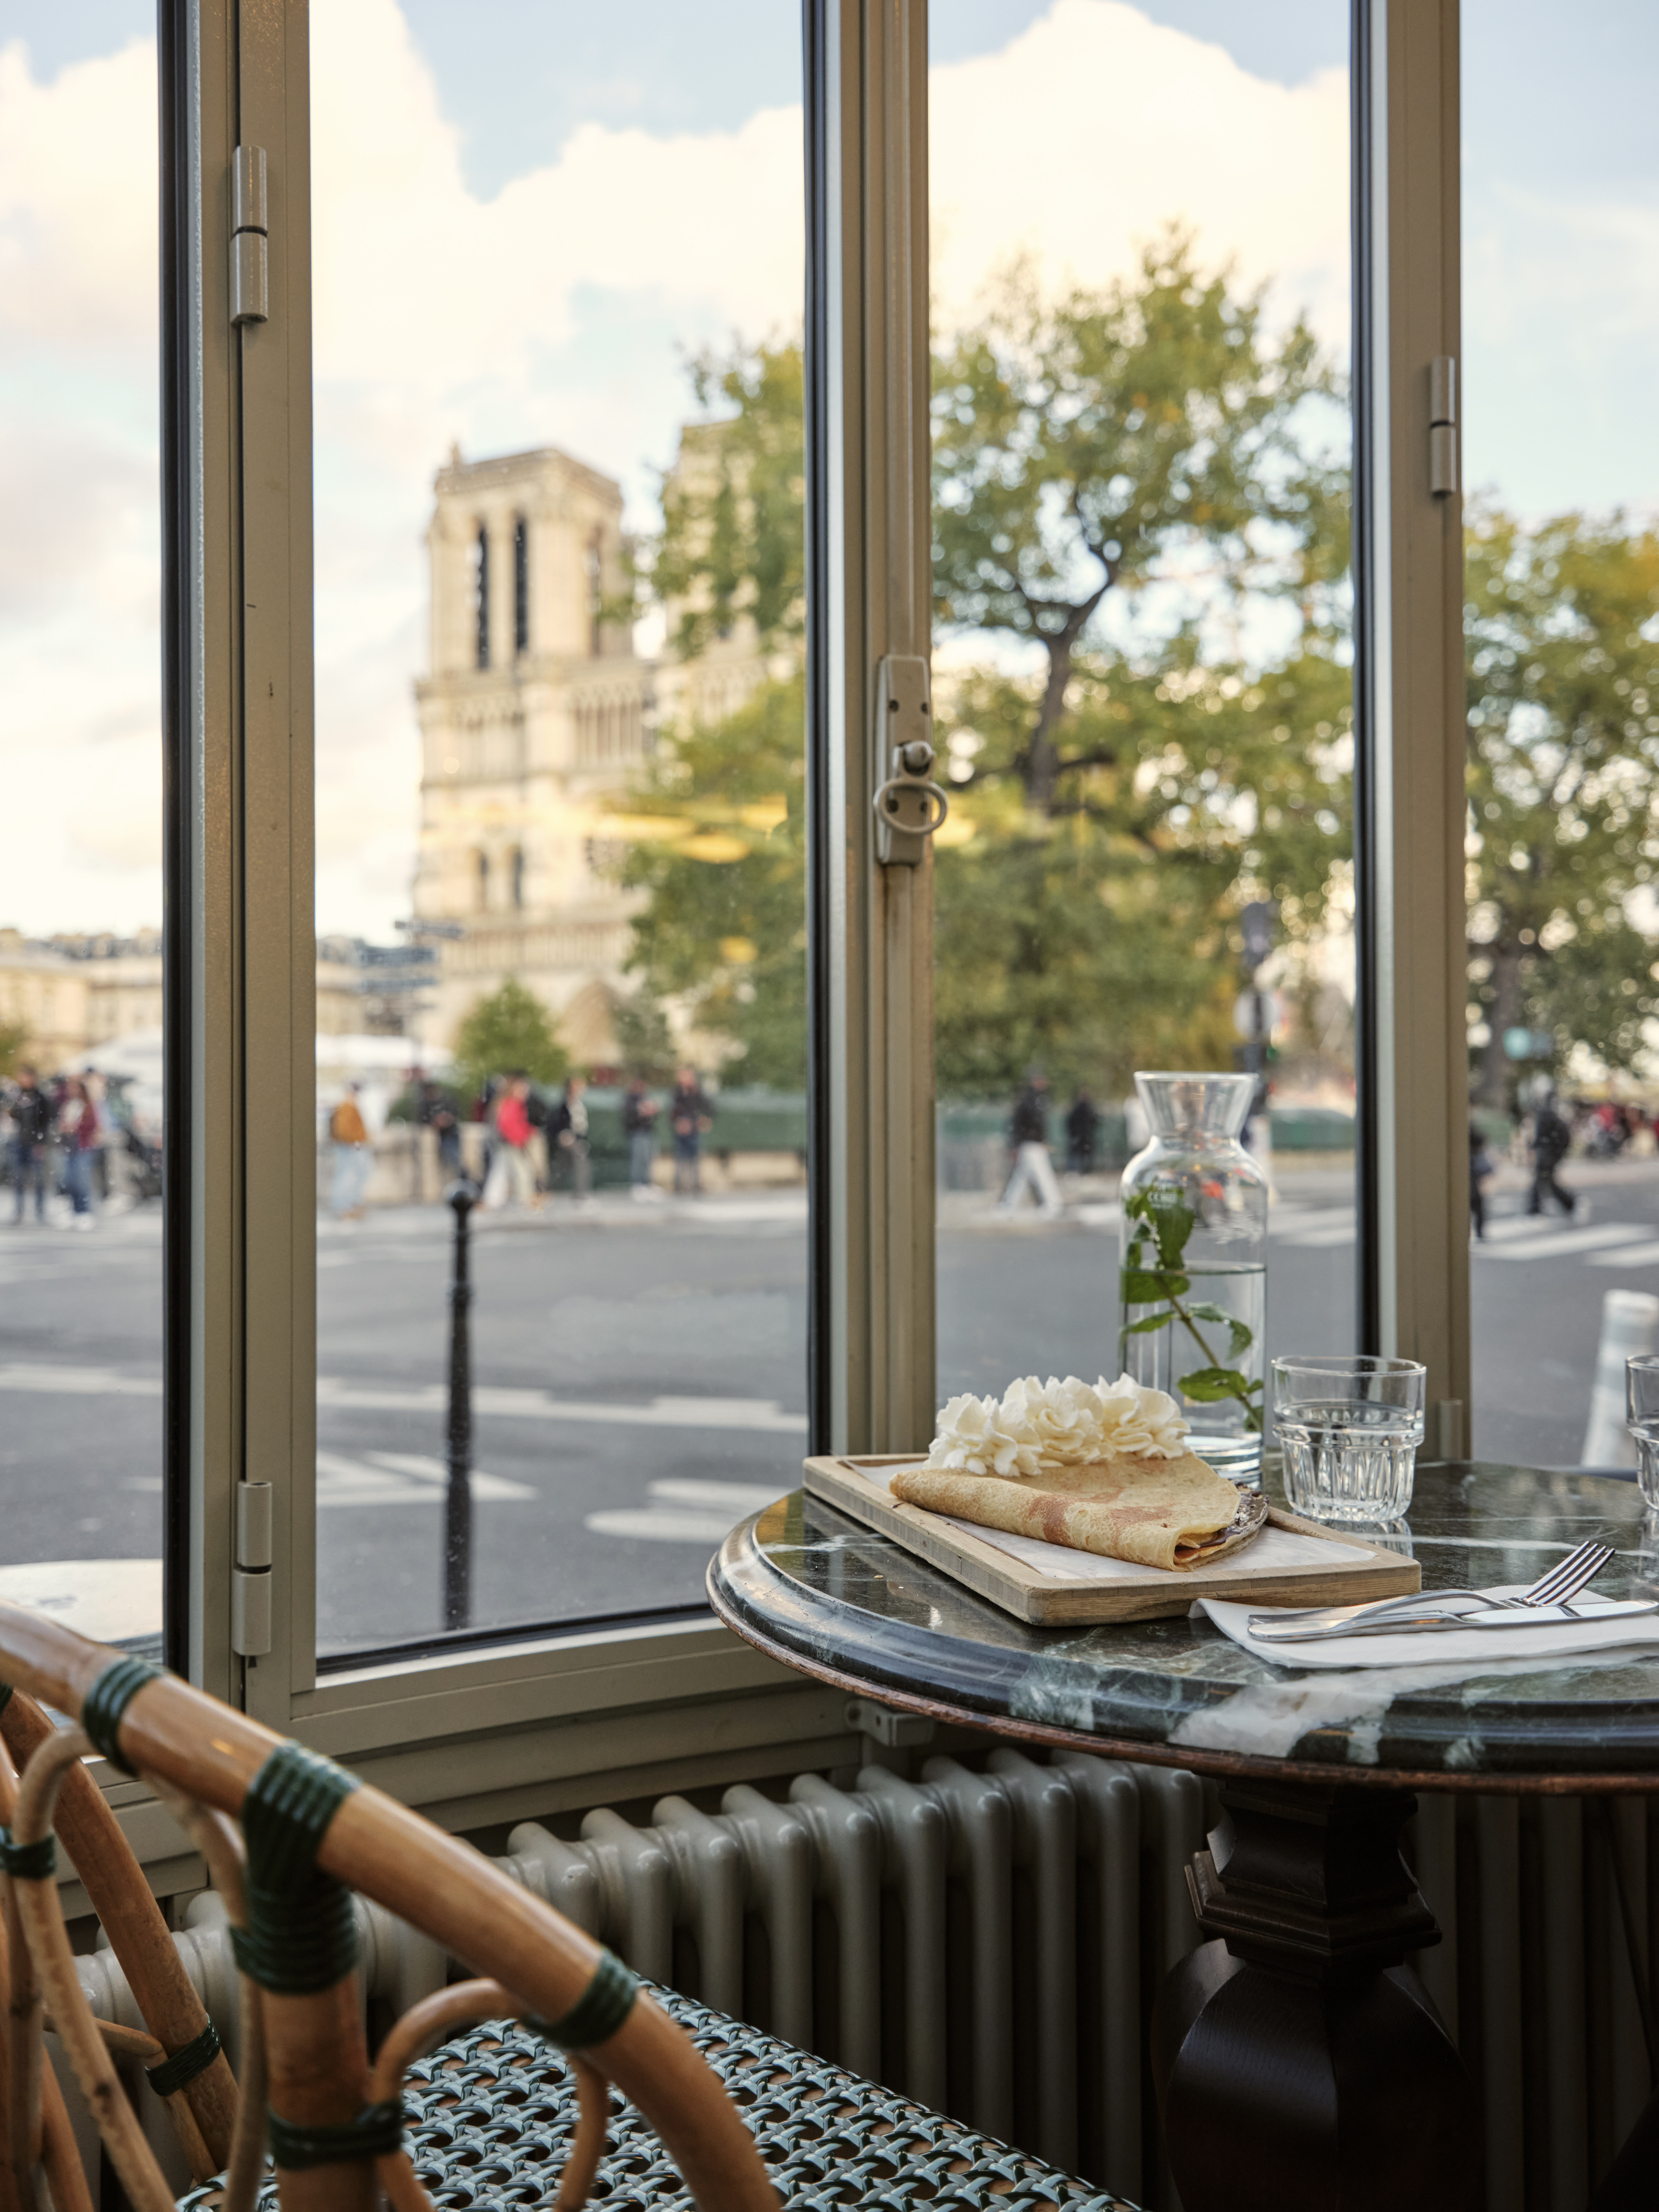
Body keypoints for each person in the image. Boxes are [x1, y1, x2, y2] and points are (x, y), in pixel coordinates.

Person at [997, 1070, 1063, 1218]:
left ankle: (1010, 1204)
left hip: (1029, 1144)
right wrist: (1040, 1140)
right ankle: (1054, 1204)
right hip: (1032, 1144)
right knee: (1042, 1175)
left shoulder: (1028, 1099)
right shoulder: (1034, 1101)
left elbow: (1018, 1124)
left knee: (1022, 1176)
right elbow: (1033, 1124)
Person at [8, 1065, 52, 1225]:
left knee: (38, 1178)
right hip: (19, 1142)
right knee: (18, 1178)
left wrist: (42, 1144)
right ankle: (19, 1212)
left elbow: (46, 1122)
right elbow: (14, 1115)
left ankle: (40, 1212)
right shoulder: (18, 1095)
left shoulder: (41, 1098)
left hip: (35, 1143)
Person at [488, 1072, 539, 1209]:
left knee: (501, 1172)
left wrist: (527, 1131)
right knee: (523, 1172)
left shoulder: (512, 1104)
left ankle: (493, 1201)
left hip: (509, 1142)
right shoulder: (511, 1104)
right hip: (511, 1143)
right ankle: (525, 1199)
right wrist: (520, 1137)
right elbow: (508, 1125)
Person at [57, 1075, 99, 1230]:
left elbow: (93, 1125)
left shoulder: (87, 1106)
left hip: (83, 1147)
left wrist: (76, 1128)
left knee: (82, 1181)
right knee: (69, 1180)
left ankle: (84, 1211)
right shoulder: (68, 1104)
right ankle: (75, 1211)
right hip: (69, 1147)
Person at [1527, 1089, 1576, 1218]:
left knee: (1542, 1181)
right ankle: (1567, 1203)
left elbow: (1542, 1137)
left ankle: (1537, 1208)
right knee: (1546, 1181)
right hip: (1550, 1154)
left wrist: (1538, 1148)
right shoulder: (1552, 1115)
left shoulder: (1545, 1115)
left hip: (1546, 1154)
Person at [328, 1083, 373, 1220]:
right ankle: (344, 1206)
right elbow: (343, 1129)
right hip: (350, 1146)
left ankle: (350, 1205)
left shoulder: (346, 1104)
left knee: (353, 1175)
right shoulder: (347, 1105)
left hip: (350, 1145)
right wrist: (353, 1142)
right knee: (347, 1176)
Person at [669, 1065, 714, 1195]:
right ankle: (680, 1186)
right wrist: (679, 1123)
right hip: (681, 1132)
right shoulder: (677, 1092)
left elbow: (709, 1107)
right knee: (681, 1159)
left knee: (694, 1159)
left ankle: (695, 1186)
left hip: (694, 1131)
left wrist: (703, 1119)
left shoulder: (697, 1092)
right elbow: (674, 1112)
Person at [547, 1073, 592, 1202]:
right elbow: (559, 1124)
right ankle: (579, 1193)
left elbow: (581, 1126)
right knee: (573, 1165)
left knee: (563, 1167)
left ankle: (579, 1193)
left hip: (578, 1140)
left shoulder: (579, 1104)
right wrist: (564, 1135)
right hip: (569, 1141)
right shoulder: (565, 1105)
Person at [622, 1075, 661, 1200]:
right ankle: (637, 1185)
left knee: (648, 1159)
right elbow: (629, 1116)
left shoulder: (646, 1098)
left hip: (647, 1133)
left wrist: (652, 1111)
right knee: (639, 1159)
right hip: (637, 1133)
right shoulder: (630, 1101)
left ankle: (646, 1184)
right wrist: (641, 1112)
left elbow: (653, 1116)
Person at [418, 1079, 461, 1178]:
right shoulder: (425, 1105)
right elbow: (423, 1121)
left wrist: (446, 1121)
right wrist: (436, 1123)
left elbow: (455, 1115)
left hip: (451, 1134)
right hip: (441, 1137)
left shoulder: (446, 1101)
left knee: (454, 1160)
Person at [1065, 1085, 1099, 1175]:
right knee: (1082, 1154)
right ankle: (1082, 1171)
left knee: (1080, 1154)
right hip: (1085, 1135)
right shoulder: (1087, 1109)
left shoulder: (1079, 1109)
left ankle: (1078, 1171)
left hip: (1082, 1135)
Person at [1469, 1120, 1494, 1240]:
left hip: (1471, 1172)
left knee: (1476, 1204)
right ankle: (1479, 1232)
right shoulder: (1469, 1127)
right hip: (1471, 1173)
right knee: (1477, 1203)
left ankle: (1479, 1231)